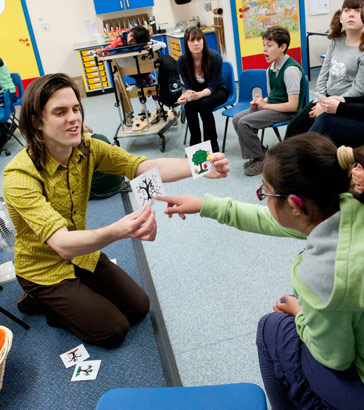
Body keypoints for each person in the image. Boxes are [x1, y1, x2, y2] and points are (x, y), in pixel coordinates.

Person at [2, 73, 230, 348]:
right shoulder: (19, 176)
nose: (73, 118)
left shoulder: (87, 148)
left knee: (139, 307)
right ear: (37, 122)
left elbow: (140, 166)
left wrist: (201, 164)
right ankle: (42, 300)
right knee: (112, 331)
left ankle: (70, 296)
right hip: (43, 268)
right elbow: (62, 245)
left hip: (82, 253)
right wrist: (118, 230)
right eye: (60, 112)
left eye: (76, 109)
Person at [156, 133, 364, 409]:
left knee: (272, 326)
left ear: (294, 204)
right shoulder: (349, 207)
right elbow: (280, 222)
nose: (263, 199)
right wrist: (207, 205)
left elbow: (335, 357)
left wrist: (300, 314)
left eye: (264, 192)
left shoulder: (322, 273)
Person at [232, 26, 306, 176]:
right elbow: (274, 95)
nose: (264, 49)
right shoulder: (271, 68)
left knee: (244, 123)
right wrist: (261, 100)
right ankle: (260, 152)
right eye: (263, 45)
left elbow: (293, 105)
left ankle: (260, 159)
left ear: (282, 47)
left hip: (288, 112)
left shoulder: (291, 70)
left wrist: (266, 105)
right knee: (236, 119)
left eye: (269, 45)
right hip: (274, 106)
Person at [285, 0, 364, 139]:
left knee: (316, 132)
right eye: (347, 10)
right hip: (325, 98)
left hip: (347, 103)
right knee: (295, 126)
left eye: (357, 11)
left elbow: (358, 89)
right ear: (340, 18)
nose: (351, 15)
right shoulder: (336, 40)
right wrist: (320, 99)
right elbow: (324, 72)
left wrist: (329, 104)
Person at [177, 26, 229, 153]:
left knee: (203, 104)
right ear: (186, 43)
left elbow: (212, 85)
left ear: (203, 40)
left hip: (218, 90)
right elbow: (189, 86)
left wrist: (199, 95)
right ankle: (195, 145)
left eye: (199, 39)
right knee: (189, 107)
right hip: (197, 91)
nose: (196, 43)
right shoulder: (182, 61)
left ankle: (212, 146)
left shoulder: (215, 57)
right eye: (192, 40)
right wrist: (185, 97)